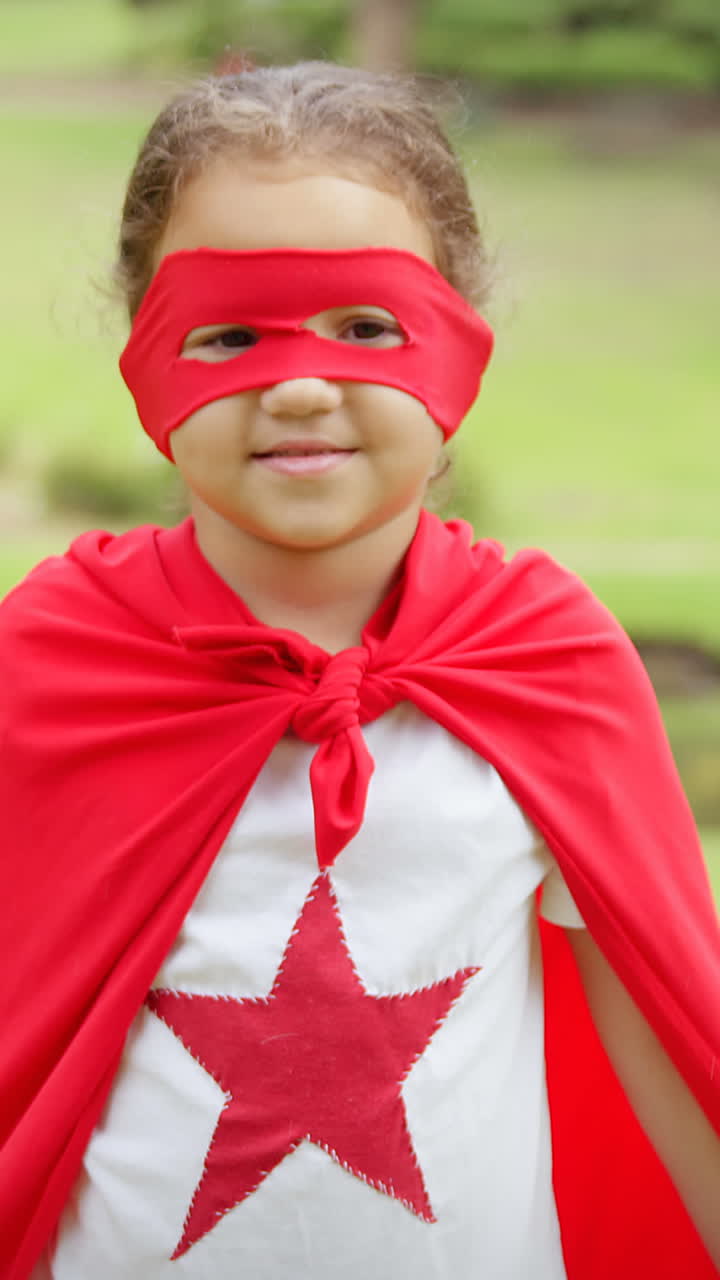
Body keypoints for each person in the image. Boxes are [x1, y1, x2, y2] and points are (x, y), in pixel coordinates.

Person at [0, 62, 718, 1280]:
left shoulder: (545, 657)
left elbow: (675, 1041)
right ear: (144, 356)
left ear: (461, 347)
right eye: (228, 332)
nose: (297, 384)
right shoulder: (52, 661)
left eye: (365, 326)